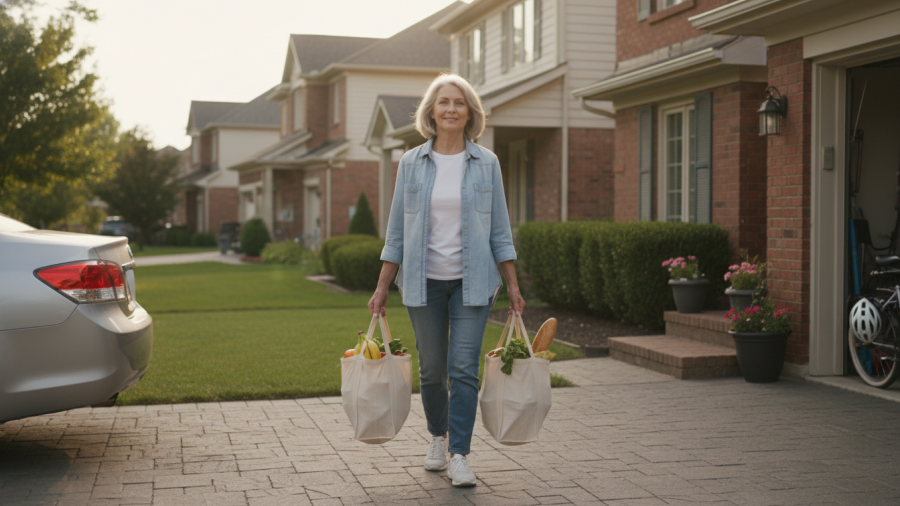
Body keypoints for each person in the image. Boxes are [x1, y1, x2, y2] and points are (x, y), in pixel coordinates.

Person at [368, 73, 525, 487]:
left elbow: (500, 231)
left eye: (459, 102)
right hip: (423, 284)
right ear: (432, 112)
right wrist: (383, 285)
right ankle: (436, 437)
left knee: (464, 369)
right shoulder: (411, 163)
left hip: (473, 286)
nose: (452, 108)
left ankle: (459, 454)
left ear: (470, 112)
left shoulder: (486, 163)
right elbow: (397, 231)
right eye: (444, 102)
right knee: (434, 370)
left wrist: (512, 284)